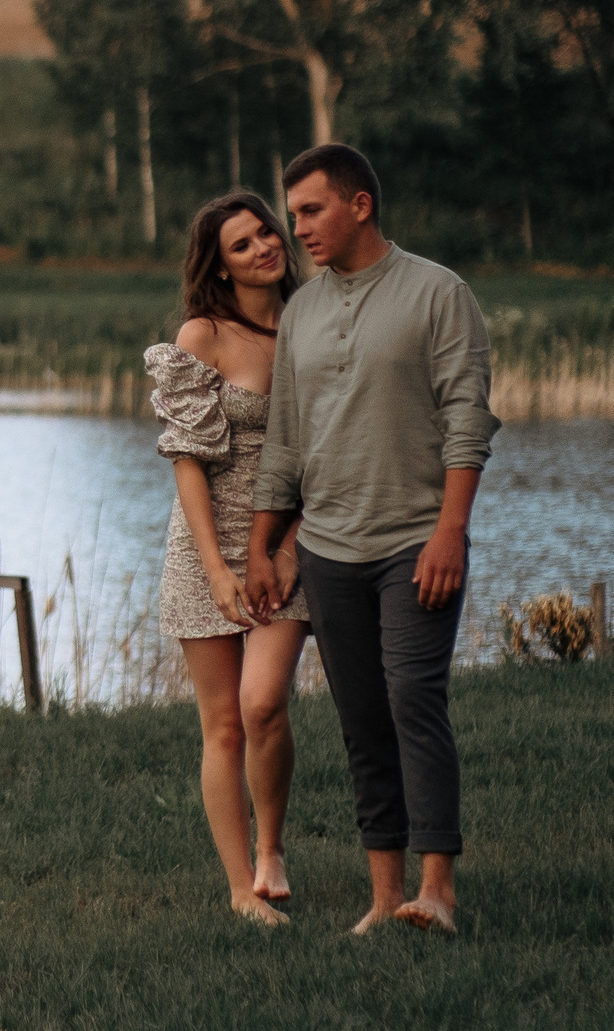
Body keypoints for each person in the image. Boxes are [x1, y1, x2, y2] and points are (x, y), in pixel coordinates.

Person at [247, 143, 496, 937]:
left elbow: (467, 417)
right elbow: (284, 440)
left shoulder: (438, 292)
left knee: (413, 698)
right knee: (361, 718)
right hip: (326, 548)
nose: (299, 230)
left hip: (414, 542)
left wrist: (449, 530)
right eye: (293, 217)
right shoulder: (303, 312)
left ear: (360, 204)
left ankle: (439, 892)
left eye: (312, 211)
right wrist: (262, 543)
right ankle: (386, 898)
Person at [144, 190, 311, 927]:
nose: (263, 248)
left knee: (264, 702)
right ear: (219, 263)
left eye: (266, 233)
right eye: (241, 244)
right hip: (206, 541)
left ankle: (272, 847)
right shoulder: (203, 334)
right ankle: (242, 886)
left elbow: (333, 452)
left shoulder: (317, 322)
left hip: (288, 544)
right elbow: (186, 458)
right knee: (222, 722)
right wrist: (216, 567)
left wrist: (289, 548)